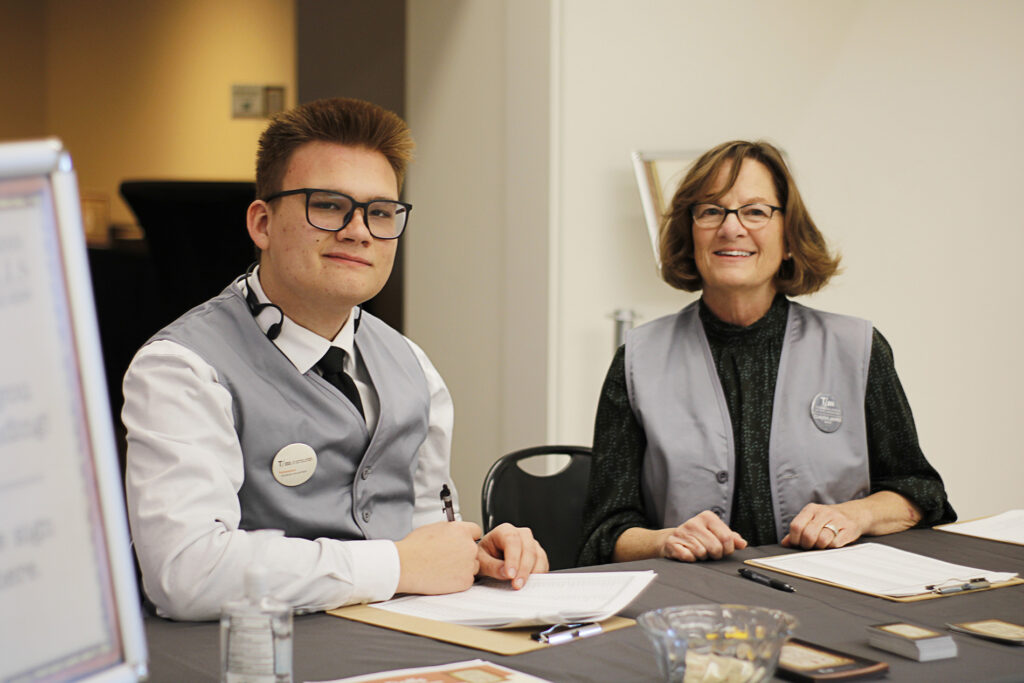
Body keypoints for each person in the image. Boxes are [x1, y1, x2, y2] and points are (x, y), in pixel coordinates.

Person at [123, 97, 547, 621]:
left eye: (381, 212)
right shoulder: (181, 368)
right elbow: (185, 574)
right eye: (327, 205)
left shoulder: (413, 365)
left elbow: (425, 537)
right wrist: (394, 565)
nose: (359, 230)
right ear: (262, 223)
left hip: (405, 650)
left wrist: (475, 554)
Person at [578, 140, 955, 566]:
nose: (731, 227)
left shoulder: (858, 348)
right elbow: (604, 534)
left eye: (755, 211)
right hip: (688, 606)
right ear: (691, 233)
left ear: (789, 237)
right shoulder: (636, 361)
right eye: (711, 210)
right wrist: (664, 540)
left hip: (829, 595)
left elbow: (922, 493)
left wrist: (856, 514)